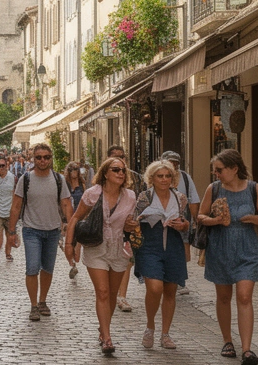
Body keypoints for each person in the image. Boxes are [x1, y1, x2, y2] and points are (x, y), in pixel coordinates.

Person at [195, 149, 258, 365]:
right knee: (224, 297)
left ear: (234, 169)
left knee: (244, 296)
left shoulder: (254, 188)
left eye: (219, 170)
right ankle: (227, 341)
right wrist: (215, 221)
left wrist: (253, 218)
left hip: (247, 247)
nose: (215, 174)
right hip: (220, 247)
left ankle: (247, 349)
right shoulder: (214, 188)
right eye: (214, 170)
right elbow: (200, 216)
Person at [64, 156, 137, 354]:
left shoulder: (130, 196)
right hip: (96, 247)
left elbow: (132, 222)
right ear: (105, 173)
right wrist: (69, 244)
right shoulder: (92, 194)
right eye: (116, 170)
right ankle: (107, 337)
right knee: (103, 292)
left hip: (119, 249)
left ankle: (103, 327)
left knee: (112, 294)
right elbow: (76, 217)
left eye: (123, 170)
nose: (121, 173)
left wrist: (132, 225)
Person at [6, 143, 72, 322]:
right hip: (31, 230)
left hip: (53, 230)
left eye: (46, 157)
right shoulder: (25, 179)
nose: (43, 160)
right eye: (39, 157)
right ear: (33, 159)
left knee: (48, 269)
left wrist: (69, 225)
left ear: (51, 158)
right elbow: (16, 206)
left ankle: (43, 301)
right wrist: (11, 232)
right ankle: (34, 305)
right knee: (32, 268)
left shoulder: (58, 179)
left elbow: (66, 203)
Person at [132, 160, 191, 349]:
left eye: (167, 176)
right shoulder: (145, 197)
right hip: (150, 244)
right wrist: (139, 222)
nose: (164, 180)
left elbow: (187, 223)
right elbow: (132, 220)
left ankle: (165, 334)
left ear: (172, 178)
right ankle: (150, 326)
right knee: (155, 287)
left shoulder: (180, 198)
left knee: (170, 290)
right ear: (152, 178)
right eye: (160, 176)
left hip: (173, 245)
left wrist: (183, 225)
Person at [160, 150, 200, 293]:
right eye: (171, 163)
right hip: (161, 220)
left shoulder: (185, 177)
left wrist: (195, 220)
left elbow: (193, 199)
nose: (173, 166)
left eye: (176, 164)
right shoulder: (156, 176)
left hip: (181, 219)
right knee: (163, 248)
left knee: (182, 250)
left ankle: (180, 280)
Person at [107, 145, 138, 313]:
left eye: (122, 156)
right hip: (106, 232)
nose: (120, 159)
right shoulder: (102, 179)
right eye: (115, 157)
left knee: (126, 262)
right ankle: (111, 294)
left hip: (126, 231)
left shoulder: (133, 178)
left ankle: (122, 296)